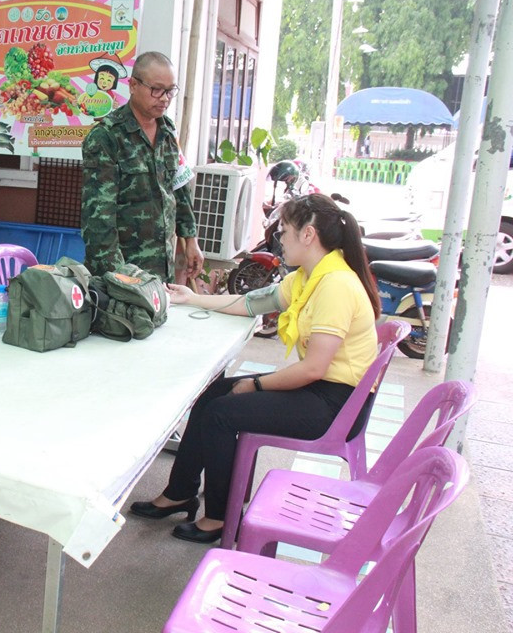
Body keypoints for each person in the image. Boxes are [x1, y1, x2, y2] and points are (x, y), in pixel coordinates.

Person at [129, 193, 380, 543]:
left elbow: (313, 368)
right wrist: (194, 298)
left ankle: (220, 516)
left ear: (308, 235)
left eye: (286, 231)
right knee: (211, 393)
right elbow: (253, 302)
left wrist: (258, 385)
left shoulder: (336, 285)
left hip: (337, 405)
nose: (281, 239)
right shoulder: (310, 277)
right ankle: (180, 491)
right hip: (321, 388)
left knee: (222, 413)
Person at [81, 51, 204, 284]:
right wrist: (118, 277)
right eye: (156, 89)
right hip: (124, 270)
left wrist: (191, 239)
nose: (165, 98)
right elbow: (98, 220)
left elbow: (179, 188)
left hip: (162, 268)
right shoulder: (106, 137)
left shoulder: (167, 131)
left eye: (170, 91)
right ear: (133, 85)